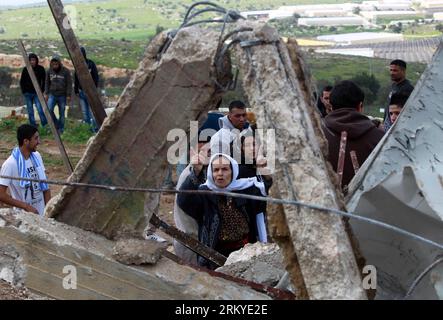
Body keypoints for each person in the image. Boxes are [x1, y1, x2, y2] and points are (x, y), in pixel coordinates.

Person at [177, 153, 268, 269]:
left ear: (233, 171)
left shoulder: (245, 189)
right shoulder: (204, 194)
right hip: (214, 254)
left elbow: (267, 197)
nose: (220, 173)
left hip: (245, 251)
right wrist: (196, 172)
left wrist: (265, 172)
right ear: (211, 173)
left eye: (225, 169)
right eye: (216, 170)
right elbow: (184, 200)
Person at [322, 80, 384, 191]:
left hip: (328, 205)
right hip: (368, 206)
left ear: (331, 107)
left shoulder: (318, 137)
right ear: (360, 106)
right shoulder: (380, 139)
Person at [0, 124, 51, 216]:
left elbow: (45, 186)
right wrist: (26, 207)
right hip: (25, 217)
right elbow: (1, 194)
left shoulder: (37, 156)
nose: (39, 142)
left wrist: (48, 211)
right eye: (36, 138)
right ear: (26, 141)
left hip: (43, 214)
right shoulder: (10, 164)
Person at [383, 59, 414, 132]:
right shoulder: (393, 86)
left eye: (395, 70)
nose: (392, 73)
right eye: (391, 70)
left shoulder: (408, 89)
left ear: (403, 71)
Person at [74, 47, 100, 133]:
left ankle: (96, 129)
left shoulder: (91, 64)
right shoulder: (77, 64)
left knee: (93, 112)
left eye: (81, 53)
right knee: (85, 113)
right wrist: (76, 90)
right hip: (81, 92)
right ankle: (88, 130)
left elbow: (96, 76)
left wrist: (94, 89)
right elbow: (76, 78)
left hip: (90, 92)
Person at [45, 55, 72, 134]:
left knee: (62, 113)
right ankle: (55, 125)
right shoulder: (49, 71)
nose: (55, 66)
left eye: (56, 64)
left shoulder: (66, 71)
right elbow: (47, 83)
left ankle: (61, 129)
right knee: (48, 110)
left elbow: (69, 84)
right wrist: (46, 93)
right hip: (52, 94)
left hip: (62, 95)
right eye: (53, 64)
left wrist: (68, 95)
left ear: (59, 63)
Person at [19, 53, 47, 128]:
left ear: (36, 60)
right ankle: (33, 126)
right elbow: (22, 81)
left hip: (37, 93)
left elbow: (44, 81)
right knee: (30, 111)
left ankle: (45, 125)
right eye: (30, 60)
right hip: (28, 93)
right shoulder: (26, 69)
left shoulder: (41, 69)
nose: (32, 62)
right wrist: (24, 91)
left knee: (40, 109)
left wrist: (42, 90)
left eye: (33, 60)